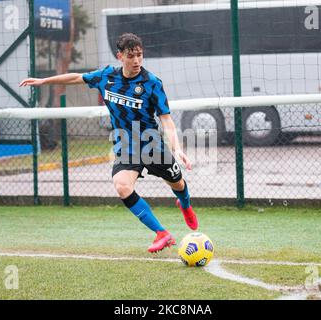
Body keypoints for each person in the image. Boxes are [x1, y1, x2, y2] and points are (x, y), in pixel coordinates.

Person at [20, 33, 198, 253]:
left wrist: (177, 149)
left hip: (151, 144)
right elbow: (76, 78)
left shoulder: (152, 83)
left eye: (140, 55)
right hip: (125, 145)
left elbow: (167, 121)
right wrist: (44, 81)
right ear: (120, 56)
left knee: (177, 183)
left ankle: (185, 204)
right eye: (131, 56)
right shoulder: (106, 76)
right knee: (122, 186)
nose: (136, 61)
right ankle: (162, 233)